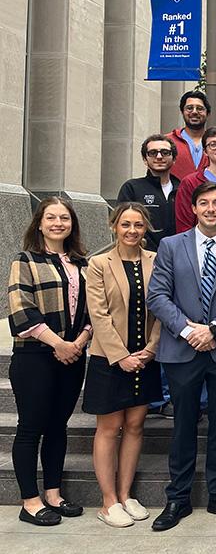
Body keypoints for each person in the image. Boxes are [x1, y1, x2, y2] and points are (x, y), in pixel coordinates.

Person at [147, 182, 216, 531]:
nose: (210, 209)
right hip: (181, 349)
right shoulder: (170, 246)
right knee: (183, 425)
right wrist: (190, 330)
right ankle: (178, 497)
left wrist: (215, 330)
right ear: (193, 208)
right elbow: (158, 295)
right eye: (203, 203)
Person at [7, 197, 91, 526]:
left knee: (58, 426)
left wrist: (79, 342)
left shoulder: (82, 264)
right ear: (39, 223)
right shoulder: (24, 260)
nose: (58, 223)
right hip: (35, 356)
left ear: (72, 224)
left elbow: (92, 310)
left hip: (73, 355)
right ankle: (30, 501)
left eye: (65, 218)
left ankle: (53, 494)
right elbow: (20, 306)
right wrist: (58, 343)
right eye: (51, 217)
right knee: (31, 427)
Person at [83, 203, 162, 527]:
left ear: (146, 229)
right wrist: (122, 356)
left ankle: (127, 494)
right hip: (110, 358)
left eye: (138, 225)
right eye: (126, 224)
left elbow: (160, 307)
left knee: (135, 426)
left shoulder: (155, 261)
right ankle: (108, 500)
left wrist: (151, 348)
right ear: (114, 226)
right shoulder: (99, 264)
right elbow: (98, 314)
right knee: (109, 428)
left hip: (144, 357)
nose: (132, 231)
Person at [117, 134, 180, 252]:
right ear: (145, 159)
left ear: (174, 158)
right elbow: (122, 225)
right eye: (153, 153)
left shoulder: (183, 189)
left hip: (178, 256)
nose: (159, 156)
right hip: (142, 256)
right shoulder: (132, 188)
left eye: (165, 152)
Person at [165, 90, 210, 181]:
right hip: (175, 194)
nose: (194, 112)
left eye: (200, 108)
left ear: (207, 113)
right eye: (189, 108)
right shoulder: (166, 142)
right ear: (182, 112)